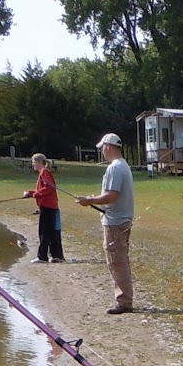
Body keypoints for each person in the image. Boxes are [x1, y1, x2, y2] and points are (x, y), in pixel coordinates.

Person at [75, 132, 135, 314]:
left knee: (116, 261)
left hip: (115, 222)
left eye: (102, 148)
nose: (102, 151)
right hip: (121, 220)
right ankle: (124, 299)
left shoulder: (115, 168)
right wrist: (92, 199)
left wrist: (89, 200)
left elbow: (111, 196)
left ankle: (124, 302)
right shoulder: (123, 166)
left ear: (108, 147)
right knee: (119, 259)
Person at [23, 153, 64, 263]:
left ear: (40, 162)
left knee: (44, 232)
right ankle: (55, 256)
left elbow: (49, 188)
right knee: (50, 232)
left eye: (34, 162)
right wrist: (30, 193)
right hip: (49, 206)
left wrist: (34, 194)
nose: (33, 165)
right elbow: (43, 189)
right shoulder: (43, 172)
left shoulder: (44, 172)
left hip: (48, 207)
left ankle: (42, 257)